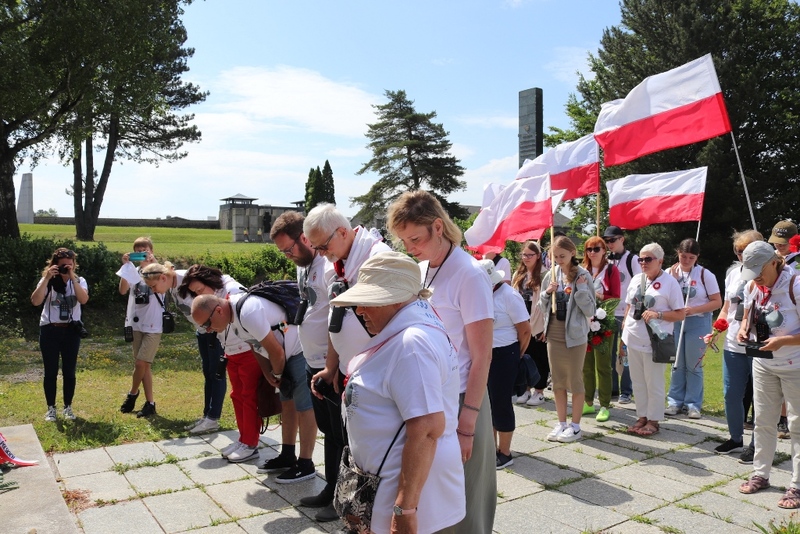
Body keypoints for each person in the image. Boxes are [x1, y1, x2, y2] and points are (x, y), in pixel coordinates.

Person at [330, 251, 465, 534]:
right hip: (387, 481)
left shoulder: (412, 344)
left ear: (396, 299)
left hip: (401, 489)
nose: (360, 310)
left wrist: (405, 508)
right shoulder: (409, 333)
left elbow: (427, 428)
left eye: (368, 302)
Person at [387, 190, 495, 534]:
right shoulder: (420, 269)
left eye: (415, 239)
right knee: (435, 502)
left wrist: (468, 423)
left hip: (464, 399)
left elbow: (482, 355)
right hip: (431, 399)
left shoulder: (470, 274)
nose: (410, 248)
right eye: (404, 241)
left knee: (465, 502)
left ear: (438, 227)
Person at [303, 203, 391, 519]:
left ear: (342, 232)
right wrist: (330, 366)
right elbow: (335, 318)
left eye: (324, 245)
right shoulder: (339, 264)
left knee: (366, 447)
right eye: (317, 248)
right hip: (347, 370)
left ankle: (365, 509)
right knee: (341, 438)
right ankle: (339, 496)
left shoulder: (377, 261)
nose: (322, 253)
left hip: (376, 375)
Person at [270, 211, 341, 519]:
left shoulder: (327, 265)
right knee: (327, 429)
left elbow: (337, 316)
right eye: (282, 252)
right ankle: (330, 489)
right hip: (311, 361)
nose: (288, 256)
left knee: (340, 433)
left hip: (331, 364)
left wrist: (331, 364)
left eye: (290, 249)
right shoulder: (303, 266)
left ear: (304, 238)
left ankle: (341, 497)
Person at [191, 290, 306, 468]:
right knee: (286, 403)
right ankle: (288, 455)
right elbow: (254, 345)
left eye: (207, 323)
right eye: (202, 327)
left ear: (219, 311)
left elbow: (276, 352)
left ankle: (306, 464)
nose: (207, 330)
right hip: (285, 352)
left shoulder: (247, 313)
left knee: (304, 408)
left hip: (298, 348)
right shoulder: (233, 317)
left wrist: (277, 375)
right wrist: (268, 373)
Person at [736, 241, 800, 509]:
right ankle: (760, 473)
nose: (756, 277)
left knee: (797, 425)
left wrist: (783, 341)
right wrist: (743, 330)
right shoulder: (752, 286)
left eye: (759, 270)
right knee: (763, 420)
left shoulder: (795, 284)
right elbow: (746, 317)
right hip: (763, 363)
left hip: (795, 366)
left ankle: (797, 485)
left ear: (774, 261)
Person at [621, 243, 685, 437]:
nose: (643, 262)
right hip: (633, 338)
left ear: (660, 261)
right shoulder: (636, 279)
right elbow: (628, 306)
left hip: (654, 342)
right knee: (638, 382)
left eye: (648, 259)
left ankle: (654, 420)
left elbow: (680, 314)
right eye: (641, 259)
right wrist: (624, 325)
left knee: (653, 382)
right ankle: (641, 416)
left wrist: (658, 314)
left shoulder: (670, 283)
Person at [540, 236, 595, 443]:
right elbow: (541, 306)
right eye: (555, 256)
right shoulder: (552, 274)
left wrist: (580, 290)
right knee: (558, 380)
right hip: (554, 332)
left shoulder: (583, 275)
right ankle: (561, 423)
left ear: (573, 253)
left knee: (575, 380)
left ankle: (576, 425)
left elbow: (590, 309)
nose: (559, 260)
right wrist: (547, 293)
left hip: (574, 335)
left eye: (562, 256)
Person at [713, 230, 763, 461]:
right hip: (733, 342)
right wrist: (716, 329)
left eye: (746, 251)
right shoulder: (733, 273)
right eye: (738, 251)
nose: (742, 255)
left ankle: (756, 444)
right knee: (731, 394)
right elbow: (726, 308)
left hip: (759, 343)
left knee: (761, 397)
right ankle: (735, 438)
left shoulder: (767, 273)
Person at [172, 265, 238, 434]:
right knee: (208, 373)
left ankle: (213, 418)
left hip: (227, 342)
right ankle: (207, 416)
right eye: (195, 293)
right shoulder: (212, 294)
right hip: (208, 334)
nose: (198, 296)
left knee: (217, 374)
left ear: (210, 281)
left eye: (200, 290)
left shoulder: (230, 290)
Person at [480, 259, 530, 469]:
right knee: (488, 403)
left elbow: (525, 331)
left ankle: (505, 452)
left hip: (505, 353)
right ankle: (491, 448)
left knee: (500, 403)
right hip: (486, 354)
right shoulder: (483, 294)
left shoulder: (509, 295)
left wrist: (515, 357)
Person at [30, 248, 89, 422]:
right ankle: (51, 408)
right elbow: (35, 301)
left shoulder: (79, 280)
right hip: (50, 329)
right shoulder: (47, 280)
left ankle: (68, 407)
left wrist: (72, 277)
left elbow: (84, 299)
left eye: (69, 265)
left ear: (74, 265)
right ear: (55, 264)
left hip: (71, 331)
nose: (66, 268)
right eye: (63, 265)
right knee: (50, 371)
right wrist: (47, 277)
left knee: (69, 371)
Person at [665, 239, 722, 419]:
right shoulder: (668, 273)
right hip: (675, 322)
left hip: (698, 322)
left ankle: (693, 404)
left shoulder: (706, 275)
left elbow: (717, 302)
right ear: (677, 253)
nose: (686, 260)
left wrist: (694, 309)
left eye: (691, 257)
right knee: (677, 364)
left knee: (694, 365)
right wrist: (672, 283)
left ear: (697, 257)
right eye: (683, 256)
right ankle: (674, 402)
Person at [117, 237, 162, 418]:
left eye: (145, 249)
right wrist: (126, 267)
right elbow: (122, 290)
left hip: (154, 324)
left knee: (140, 363)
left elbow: (165, 283)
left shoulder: (159, 270)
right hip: (135, 323)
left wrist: (153, 263)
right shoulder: (133, 271)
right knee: (144, 367)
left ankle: (132, 393)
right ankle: (150, 403)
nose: (142, 252)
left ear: (151, 250)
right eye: (138, 249)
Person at [581, 236, 620, 423]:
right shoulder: (582, 270)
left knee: (603, 366)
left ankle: (604, 404)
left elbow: (616, 297)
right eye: (589, 249)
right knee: (585, 366)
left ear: (604, 250)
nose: (592, 252)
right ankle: (588, 401)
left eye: (596, 249)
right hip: (584, 322)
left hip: (604, 323)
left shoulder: (611, 270)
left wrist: (598, 296)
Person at [604, 226, 640, 405]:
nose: (610, 244)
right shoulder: (606, 261)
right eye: (607, 241)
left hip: (626, 314)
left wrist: (632, 312)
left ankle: (626, 391)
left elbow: (640, 284)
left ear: (622, 239)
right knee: (609, 354)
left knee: (624, 354)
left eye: (613, 240)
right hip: (608, 313)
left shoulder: (632, 259)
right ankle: (612, 389)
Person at [769, 220, 798, 439]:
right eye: (776, 243)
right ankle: (780, 418)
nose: (779, 247)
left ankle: (789, 419)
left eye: (783, 244)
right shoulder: (770, 258)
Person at [511, 240, 548, 406]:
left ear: (538, 256)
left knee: (540, 357)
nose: (526, 258)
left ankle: (539, 391)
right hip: (521, 320)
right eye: (524, 254)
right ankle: (526, 388)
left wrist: (546, 327)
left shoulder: (545, 275)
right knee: (525, 356)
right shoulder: (518, 274)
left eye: (530, 255)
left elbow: (547, 305)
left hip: (538, 322)